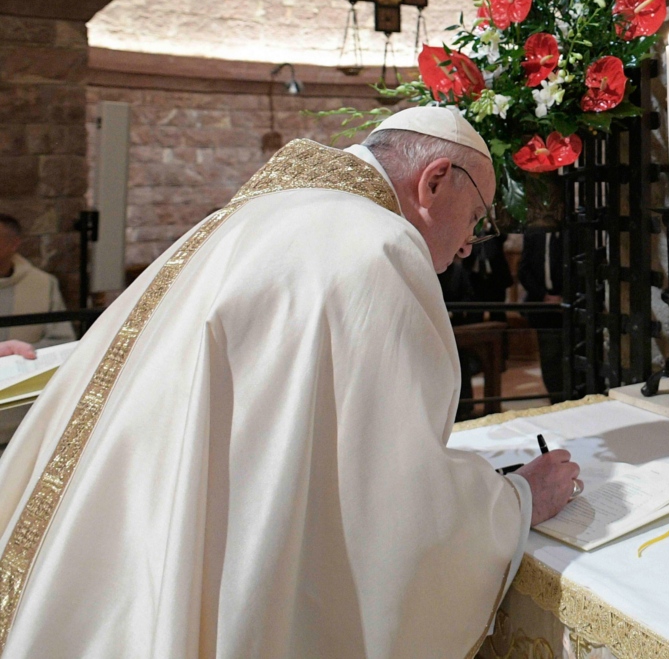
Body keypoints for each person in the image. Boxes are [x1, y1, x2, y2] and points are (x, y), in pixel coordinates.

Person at [0, 107, 580, 658]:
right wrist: (517, 499)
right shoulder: (378, 245)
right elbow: (392, 494)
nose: (467, 245)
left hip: (127, 536)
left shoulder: (261, 212)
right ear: (434, 181)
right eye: (475, 218)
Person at [0, 216, 74, 444]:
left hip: (21, 417)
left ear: (14, 244)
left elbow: (61, 339)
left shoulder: (43, 285)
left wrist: (21, 357)